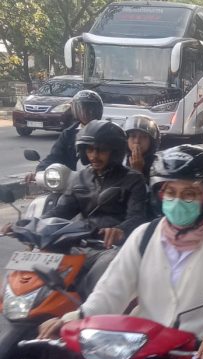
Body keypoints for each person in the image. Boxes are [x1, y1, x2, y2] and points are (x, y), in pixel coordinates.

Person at [37, 145, 203, 359]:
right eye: (170, 192)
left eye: (189, 193)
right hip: (143, 344)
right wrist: (71, 318)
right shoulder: (143, 236)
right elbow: (111, 291)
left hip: (201, 348)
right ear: (159, 194)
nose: (177, 200)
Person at [42, 120, 149, 297]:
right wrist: (32, 224)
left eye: (101, 150)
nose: (94, 156)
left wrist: (119, 230)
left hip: (110, 247)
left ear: (114, 152)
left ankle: (86, 308)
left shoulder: (133, 179)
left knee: (108, 264)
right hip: (79, 241)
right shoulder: (79, 178)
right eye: (90, 150)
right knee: (42, 256)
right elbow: (60, 211)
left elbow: (137, 217)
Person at [25, 90, 103, 182]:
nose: (86, 113)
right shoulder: (68, 134)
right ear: (75, 110)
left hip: (104, 182)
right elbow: (54, 157)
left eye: (91, 109)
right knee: (53, 197)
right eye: (82, 109)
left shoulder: (107, 131)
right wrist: (39, 173)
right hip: (73, 185)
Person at [123, 114, 161, 179]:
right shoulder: (120, 161)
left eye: (144, 137)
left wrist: (137, 170)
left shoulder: (158, 165)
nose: (137, 141)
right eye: (133, 136)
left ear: (151, 142)